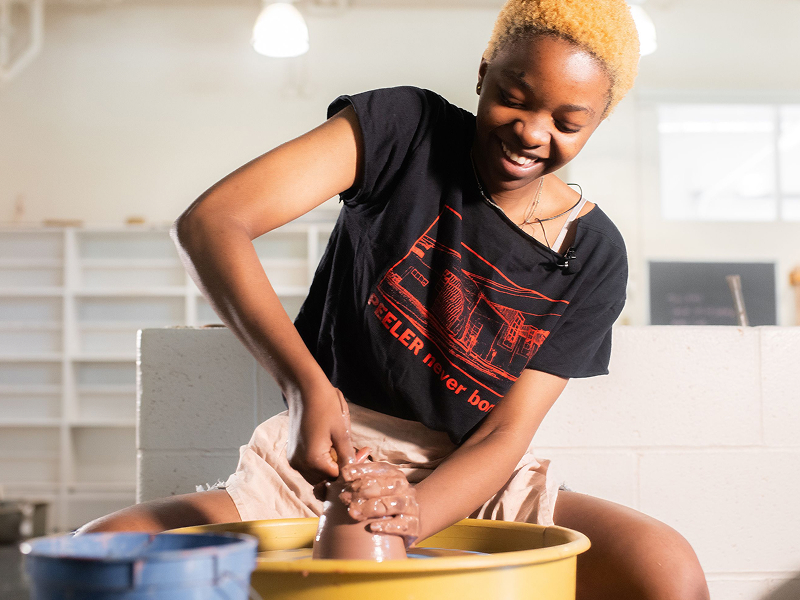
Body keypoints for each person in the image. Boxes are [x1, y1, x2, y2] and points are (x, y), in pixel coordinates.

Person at [80, 0, 710, 597]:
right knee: (106, 550)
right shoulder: (404, 131)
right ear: (484, 74)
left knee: (666, 571)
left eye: (568, 123)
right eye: (512, 99)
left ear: (598, 120)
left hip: (467, 478)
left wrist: (407, 514)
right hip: (322, 461)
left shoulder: (595, 253)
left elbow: (505, 433)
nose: (531, 133)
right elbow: (212, 224)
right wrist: (306, 389)